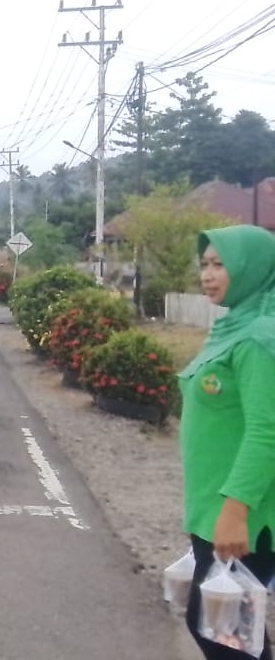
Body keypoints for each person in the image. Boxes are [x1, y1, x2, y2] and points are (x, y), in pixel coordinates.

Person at [176, 225, 275, 660]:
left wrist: (235, 512)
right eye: (204, 264)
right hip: (212, 507)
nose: (208, 275)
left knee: (224, 635)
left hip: (244, 517)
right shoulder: (235, 327)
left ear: (252, 268)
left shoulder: (258, 338)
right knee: (228, 631)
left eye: (221, 265)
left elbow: (266, 431)